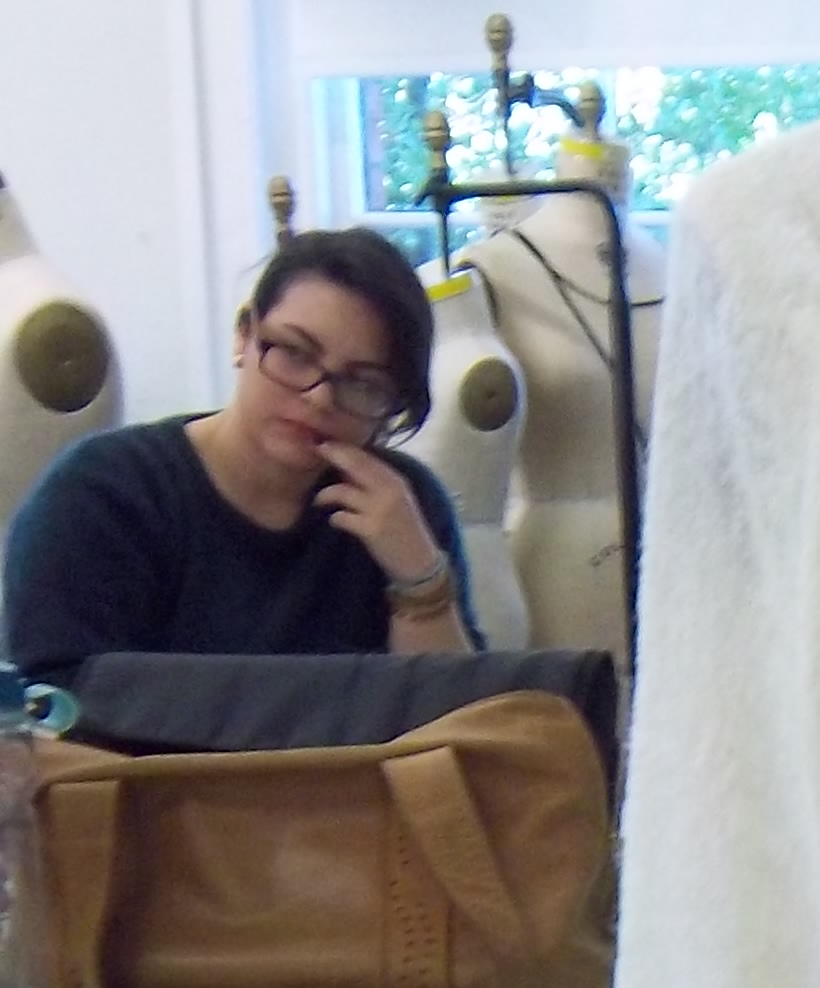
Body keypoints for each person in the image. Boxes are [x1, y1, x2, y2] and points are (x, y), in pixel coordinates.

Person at [3, 228, 477, 689]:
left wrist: (422, 585)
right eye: (295, 353)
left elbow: (467, 721)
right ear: (243, 336)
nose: (319, 397)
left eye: (362, 383)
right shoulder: (104, 494)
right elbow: (55, 708)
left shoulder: (404, 506)